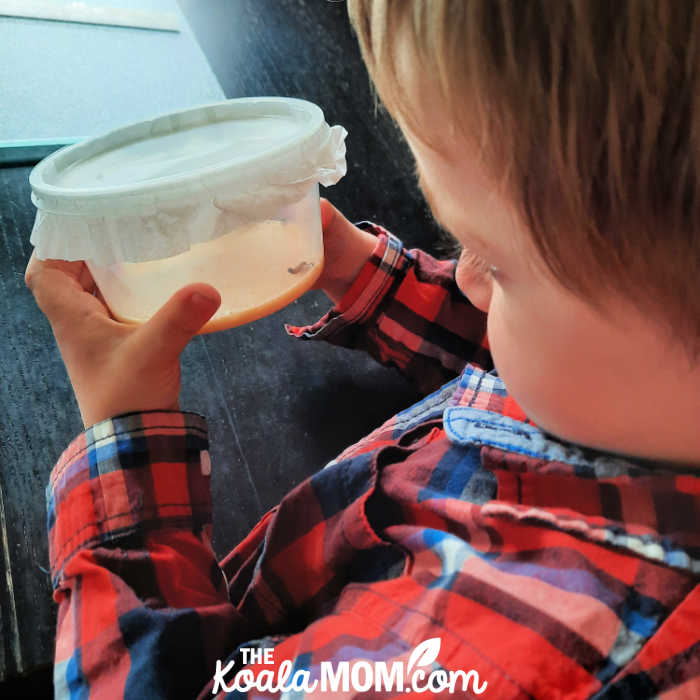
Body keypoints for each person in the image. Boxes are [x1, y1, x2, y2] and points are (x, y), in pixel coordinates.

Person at [25, 1, 700, 697]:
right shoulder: (641, 395)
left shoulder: (501, 661)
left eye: (496, 265)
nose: (465, 281)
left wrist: (122, 445)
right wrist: (371, 277)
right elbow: (562, 357)